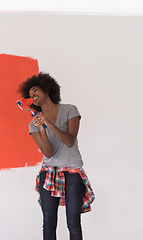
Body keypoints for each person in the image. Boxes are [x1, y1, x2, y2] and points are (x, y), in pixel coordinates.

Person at [18, 72, 95, 240]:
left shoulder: (70, 110)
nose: (33, 96)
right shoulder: (34, 123)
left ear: (47, 89)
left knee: (73, 223)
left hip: (73, 173)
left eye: (35, 91)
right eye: (30, 96)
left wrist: (49, 123)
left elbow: (69, 141)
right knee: (49, 222)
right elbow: (48, 153)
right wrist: (43, 129)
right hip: (49, 173)